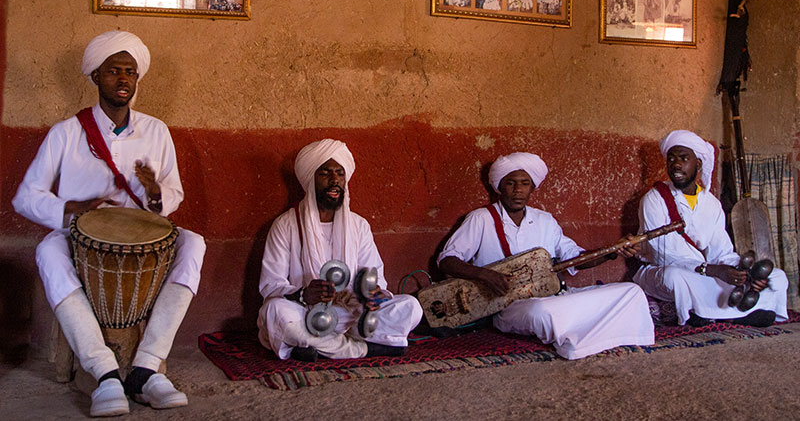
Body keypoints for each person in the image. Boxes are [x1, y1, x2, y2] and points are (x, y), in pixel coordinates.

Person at [12, 31, 205, 416]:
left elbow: (173, 197)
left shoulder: (156, 131)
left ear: (137, 80)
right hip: (79, 235)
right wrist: (72, 208)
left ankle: (147, 367)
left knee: (194, 243)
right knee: (48, 251)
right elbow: (26, 197)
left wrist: (154, 193)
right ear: (95, 76)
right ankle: (104, 373)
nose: (123, 80)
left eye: (130, 72)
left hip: (143, 234)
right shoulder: (65, 133)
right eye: (113, 71)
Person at [437, 152, 654, 360]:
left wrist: (612, 252)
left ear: (532, 188)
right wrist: (485, 275)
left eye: (525, 183)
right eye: (511, 183)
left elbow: (575, 257)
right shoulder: (481, 218)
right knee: (541, 311)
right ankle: (586, 336)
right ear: (499, 187)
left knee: (631, 292)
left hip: (553, 297)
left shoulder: (545, 221)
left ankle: (593, 336)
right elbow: (447, 260)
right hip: (508, 308)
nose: (518, 190)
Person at [257, 139, 423, 362]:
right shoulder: (285, 225)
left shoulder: (359, 225)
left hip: (350, 315)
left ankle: (317, 347)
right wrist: (303, 294)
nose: (334, 181)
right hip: (305, 313)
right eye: (325, 174)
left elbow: (375, 278)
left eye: (340, 173)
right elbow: (270, 284)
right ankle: (361, 350)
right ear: (310, 179)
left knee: (410, 307)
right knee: (274, 312)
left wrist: (370, 294)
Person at [635, 130, 789, 327]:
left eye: (684, 158)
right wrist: (712, 270)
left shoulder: (711, 204)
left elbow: (721, 252)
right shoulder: (654, 199)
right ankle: (731, 314)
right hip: (665, 270)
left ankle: (710, 312)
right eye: (671, 159)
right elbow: (665, 255)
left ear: (698, 164)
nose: (676, 165)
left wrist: (744, 273)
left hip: (705, 273)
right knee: (674, 277)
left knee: (777, 277)